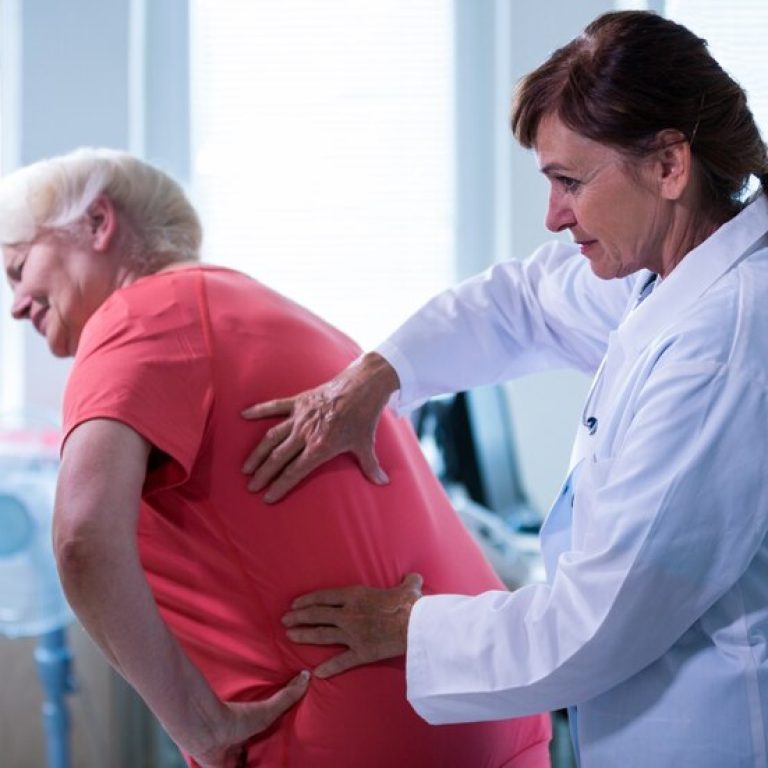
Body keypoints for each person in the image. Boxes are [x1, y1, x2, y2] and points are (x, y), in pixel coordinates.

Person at [241, 11, 768, 768]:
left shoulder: (723, 348)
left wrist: (409, 625)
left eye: (570, 182)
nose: (553, 216)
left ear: (668, 165)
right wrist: (375, 376)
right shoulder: (671, 269)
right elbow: (522, 303)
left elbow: (595, 624)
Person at [0, 149, 551, 767]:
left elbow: (81, 541)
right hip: (485, 704)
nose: (17, 303)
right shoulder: (259, 309)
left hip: (358, 732)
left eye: (19, 267)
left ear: (99, 224)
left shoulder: (137, 315)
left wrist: (198, 723)